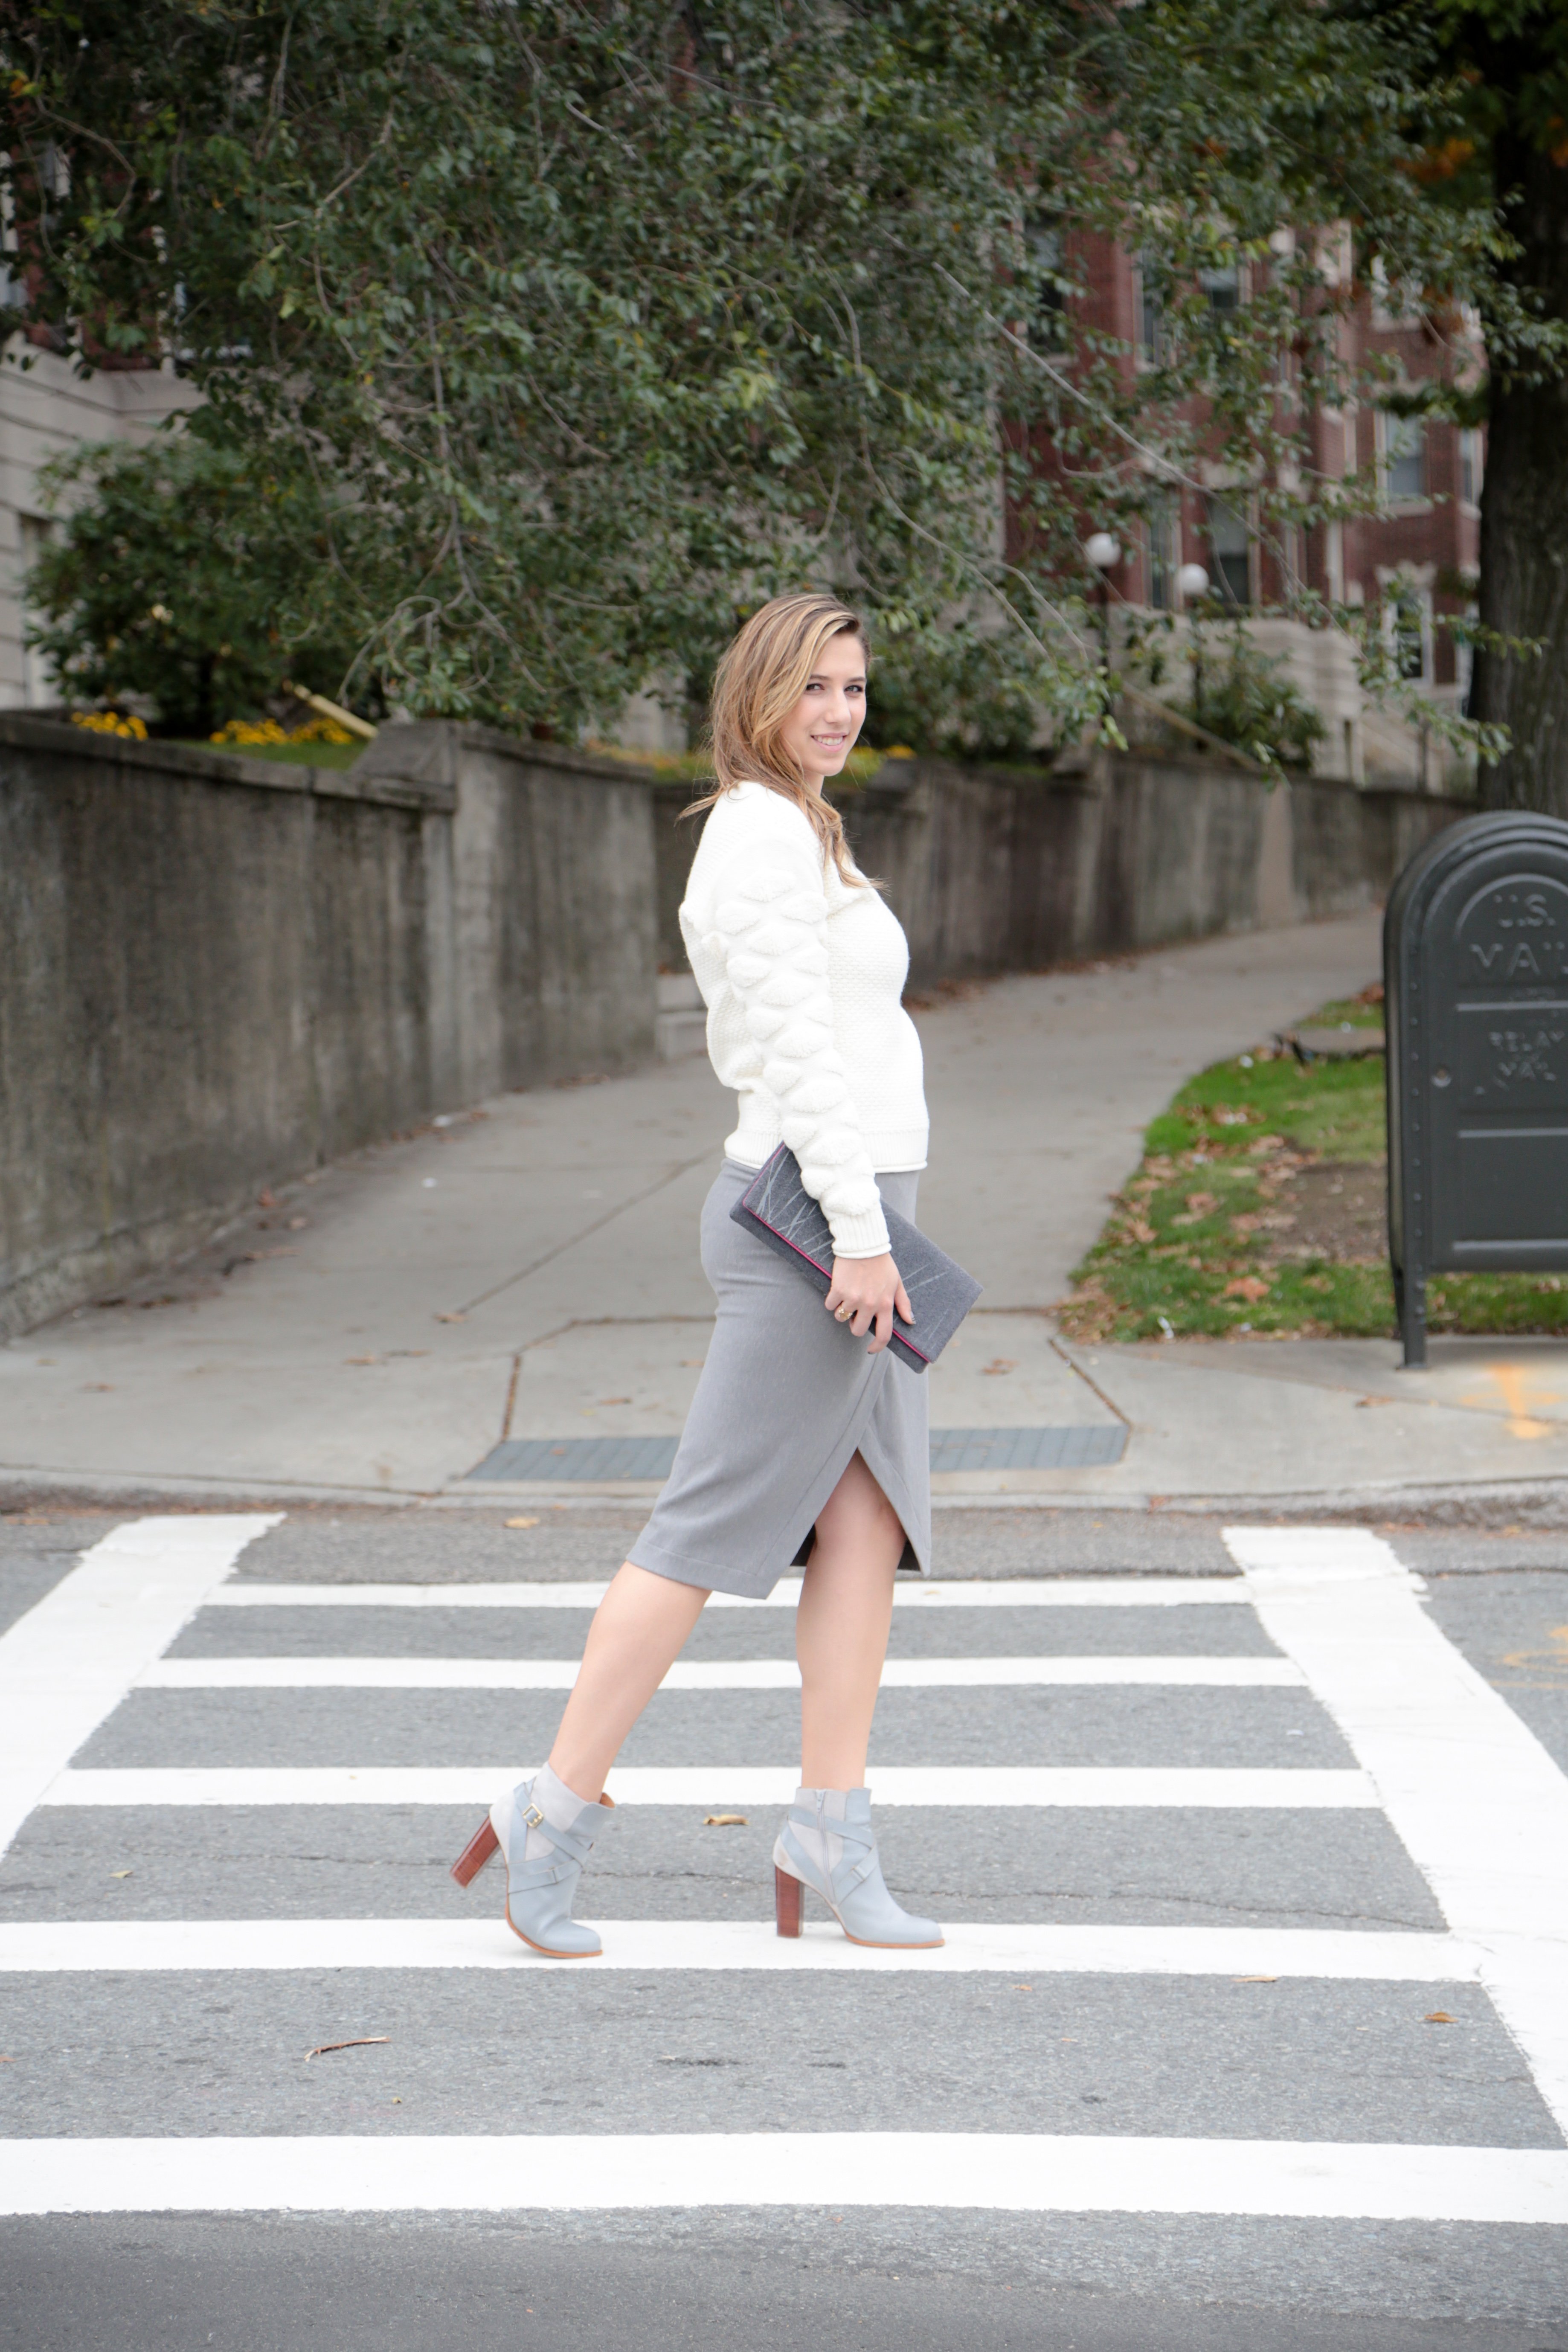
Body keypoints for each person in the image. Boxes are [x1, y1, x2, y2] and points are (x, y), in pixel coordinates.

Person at [451, 591, 941, 1956]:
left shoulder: (808, 827)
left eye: (854, 686)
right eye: (814, 687)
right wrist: (859, 1232)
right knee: (701, 1530)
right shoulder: (755, 833)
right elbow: (795, 1052)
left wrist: (879, 1222)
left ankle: (831, 1830)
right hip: (813, 1227)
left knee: (865, 1526)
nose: (838, 710)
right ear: (758, 696)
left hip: (863, 1214)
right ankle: (550, 1808)